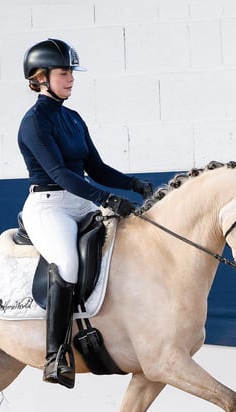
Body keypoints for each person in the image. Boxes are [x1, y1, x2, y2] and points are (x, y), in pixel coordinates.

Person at [17, 38, 155, 389]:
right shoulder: (33, 123)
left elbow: (96, 167)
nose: (71, 79)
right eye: (64, 73)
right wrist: (106, 199)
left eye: (71, 73)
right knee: (66, 263)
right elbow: (61, 174)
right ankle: (56, 355)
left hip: (80, 200)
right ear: (40, 77)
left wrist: (134, 184)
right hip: (49, 206)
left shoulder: (73, 118)